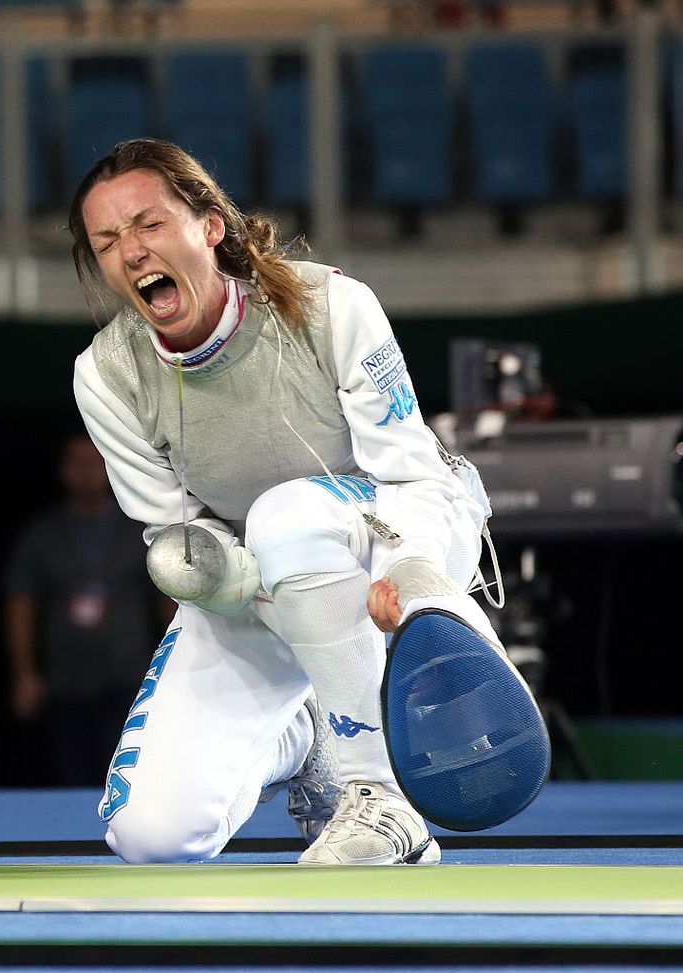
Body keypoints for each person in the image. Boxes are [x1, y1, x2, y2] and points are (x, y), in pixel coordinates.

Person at [69, 138, 499, 864]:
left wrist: (418, 570)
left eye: (149, 224)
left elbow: (412, 473)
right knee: (152, 836)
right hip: (259, 582)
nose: (132, 251)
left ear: (209, 224)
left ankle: (377, 797)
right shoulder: (106, 375)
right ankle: (310, 733)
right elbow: (181, 542)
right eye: (108, 240)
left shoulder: (332, 304)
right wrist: (252, 586)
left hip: (393, 540)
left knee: (287, 514)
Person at [4, 432, 174, 785]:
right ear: (63, 471)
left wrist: (175, 674)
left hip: (129, 675)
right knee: (70, 774)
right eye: (76, 464)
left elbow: (169, 601)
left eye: (93, 463)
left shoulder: (139, 530)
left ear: (109, 467)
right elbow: (21, 604)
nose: (85, 472)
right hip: (65, 677)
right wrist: (25, 674)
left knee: (129, 774)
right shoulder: (43, 534)